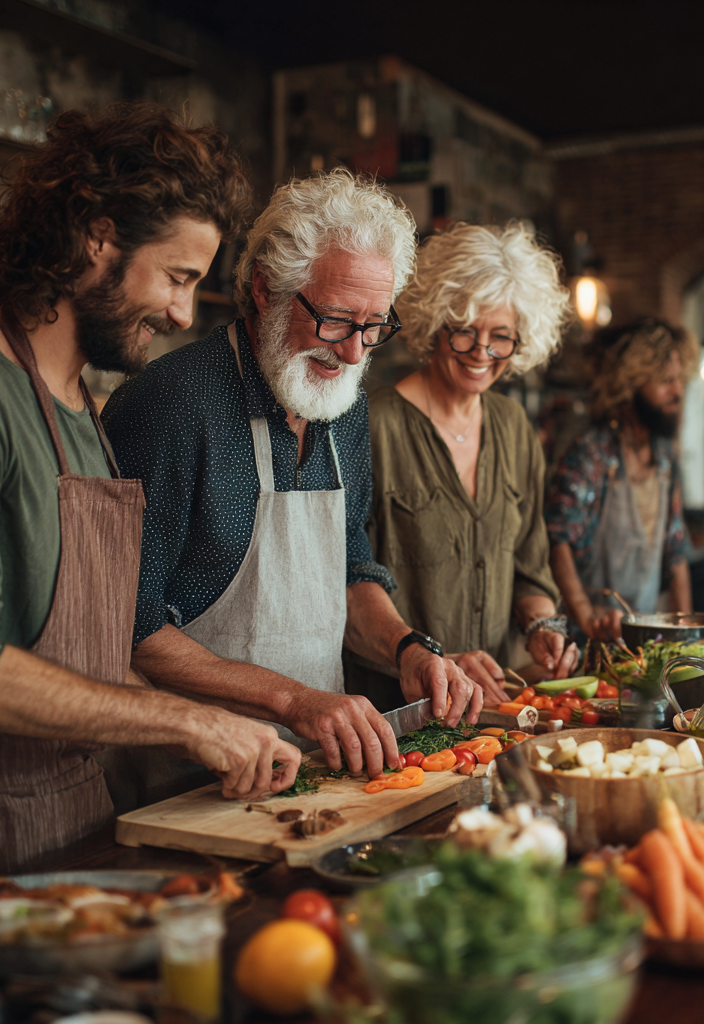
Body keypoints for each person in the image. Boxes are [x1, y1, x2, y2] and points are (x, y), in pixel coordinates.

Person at [0, 104, 302, 900]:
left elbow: (81, 662)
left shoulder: (82, 412)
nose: (181, 315)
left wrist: (222, 733)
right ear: (96, 240)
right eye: (177, 277)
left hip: (73, 821)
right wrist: (187, 721)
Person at [101, 170, 483, 789]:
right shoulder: (172, 403)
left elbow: (350, 566)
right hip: (186, 778)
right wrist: (292, 701)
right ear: (265, 288)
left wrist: (408, 648)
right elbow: (128, 626)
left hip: (312, 768)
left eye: (375, 327)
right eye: (335, 320)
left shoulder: (344, 402)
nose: (356, 353)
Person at [359, 222, 575, 709]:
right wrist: (429, 657)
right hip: (395, 713)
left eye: (501, 337)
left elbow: (529, 564)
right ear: (435, 324)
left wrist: (542, 625)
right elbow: (347, 586)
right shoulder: (376, 426)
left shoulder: (514, 426)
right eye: (464, 333)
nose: (482, 353)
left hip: (492, 713)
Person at [545, 318, 700, 640]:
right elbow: (557, 542)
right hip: (588, 646)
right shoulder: (591, 454)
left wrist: (688, 637)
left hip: (646, 643)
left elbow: (676, 552)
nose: (678, 392)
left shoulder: (664, 458)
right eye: (665, 381)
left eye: (678, 379)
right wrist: (587, 618)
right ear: (629, 385)